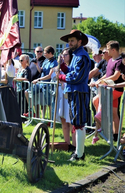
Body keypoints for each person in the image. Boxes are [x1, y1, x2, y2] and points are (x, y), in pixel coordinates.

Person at [59, 29, 91, 161]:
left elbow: (76, 77)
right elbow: (71, 71)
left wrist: (61, 76)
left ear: (80, 41)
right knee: (76, 123)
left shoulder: (82, 56)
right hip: (74, 92)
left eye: (72, 41)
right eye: (69, 41)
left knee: (78, 123)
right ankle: (79, 153)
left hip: (79, 91)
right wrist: (62, 66)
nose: (69, 43)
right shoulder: (76, 55)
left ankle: (79, 154)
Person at [90, 41, 124, 144]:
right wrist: (100, 80)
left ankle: (101, 122)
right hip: (108, 88)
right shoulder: (110, 61)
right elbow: (107, 74)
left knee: (97, 99)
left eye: (108, 49)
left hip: (115, 89)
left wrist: (102, 81)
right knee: (114, 114)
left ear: (113, 50)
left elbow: (115, 76)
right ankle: (115, 135)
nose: (106, 52)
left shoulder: (120, 62)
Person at [52, 48, 76, 152]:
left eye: (66, 54)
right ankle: (67, 144)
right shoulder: (59, 68)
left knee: (70, 120)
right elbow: (54, 77)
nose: (64, 56)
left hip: (70, 95)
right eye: (63, 54)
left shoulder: (72, 67)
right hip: (61, 95)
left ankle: (74, 145)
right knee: (63, 120)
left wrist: (61, 77)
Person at [32, 46, 58, 120]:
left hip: (49, 86)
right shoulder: (46, 60)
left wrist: (38, 79)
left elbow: (49, 76)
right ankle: (35, 114)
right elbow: (41, 71)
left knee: (49, 103)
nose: (43, 54)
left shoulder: (54, 62)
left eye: (45, 53)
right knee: (30, 93)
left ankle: (51, 120)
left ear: (50, 53)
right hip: (42, 85)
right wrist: (37, 65)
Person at [0, 59, 23, 127]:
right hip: (1, 91)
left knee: (9, 109)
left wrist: (8, 58)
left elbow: (9, 70)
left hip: (8, 91)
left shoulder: (11, 69)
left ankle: (11, 125)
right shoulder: (2, 70)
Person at [24, 46, 46, 118]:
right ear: (34, 52)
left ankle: (42, 118)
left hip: (40, 83)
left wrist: (37, 64)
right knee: (35, 102)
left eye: (41, 51)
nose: (39, 53)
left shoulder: (44, 60)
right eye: (38, 51)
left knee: (42, 102)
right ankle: (36, 115)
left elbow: (40, 71)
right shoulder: (32, 60)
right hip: (32, 83)